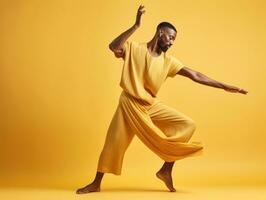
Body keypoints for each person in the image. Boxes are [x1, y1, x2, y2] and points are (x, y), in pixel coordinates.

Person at [76, 5, 248, 194]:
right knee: (113, 144)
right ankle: (96, 183)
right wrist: (135, 26)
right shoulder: (134, 49)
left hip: (149, 105)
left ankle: (166, 169)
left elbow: (195, 75)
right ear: (160, 33)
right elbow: (113, 46)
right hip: (128, 104)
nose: (172, 42)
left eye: (174, 39)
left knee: (187, 124)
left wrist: (224, 86)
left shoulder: (169, 62)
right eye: (171, 37)